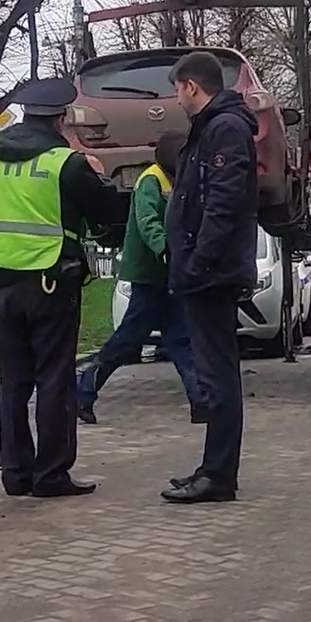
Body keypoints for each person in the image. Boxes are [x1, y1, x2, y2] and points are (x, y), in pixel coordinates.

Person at [0, 78, 125, 499]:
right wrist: (103, 180)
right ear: (60, 120)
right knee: (53, 380)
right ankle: (50, 474)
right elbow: (107, 214)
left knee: (13, 382)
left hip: (2, 288)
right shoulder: (65, 164)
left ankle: (16, 473)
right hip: (51, 284)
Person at [162, 51, 258, 505]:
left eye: (177, 89)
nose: (176, 98)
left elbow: (223, 201)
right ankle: (212, 469)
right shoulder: (213, 128)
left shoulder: (224, 128)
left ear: (191, 86)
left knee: (217, 377)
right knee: (213, 374)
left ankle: (219, 476)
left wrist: (199, 260)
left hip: (212, 274)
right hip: (205, 271)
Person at [77, 131, 206, 426]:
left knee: (181, 340)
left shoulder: (178, 180)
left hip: (168, 274)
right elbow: (148, 222)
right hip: (149, 274)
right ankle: (83, 389)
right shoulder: (151, 180)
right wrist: (168, 251)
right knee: (129, 340)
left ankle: (200, 401)